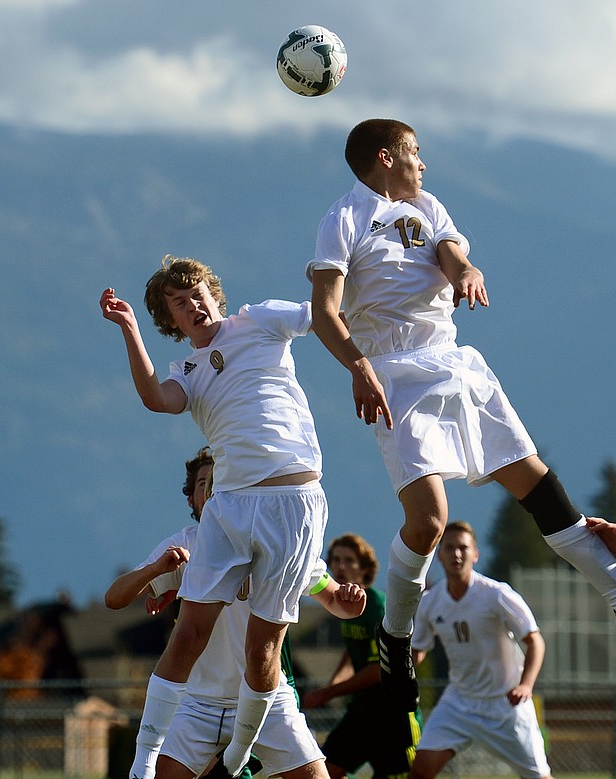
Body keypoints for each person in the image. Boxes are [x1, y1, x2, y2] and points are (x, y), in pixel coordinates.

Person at [306, 119, 616, 709]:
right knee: (428, 523)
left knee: (538, 484)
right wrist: (360, 368)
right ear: (387, 158)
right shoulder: (342, 219)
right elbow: (324, 313)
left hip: (458, 365)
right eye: (416, 153)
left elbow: (449, 251)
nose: (424, 164)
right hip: (396, 376)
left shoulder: (428, 204)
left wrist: (465, 268)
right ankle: (395, 638)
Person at [100, 256, 328, 779]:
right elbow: (157, 398)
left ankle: (238, 755)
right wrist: (130, 329)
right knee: (188, 634)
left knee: (262, 650)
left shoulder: (261, 320)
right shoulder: (189, 371)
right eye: (179, 304)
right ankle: (142, 763)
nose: (193, 305)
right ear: (170, 322)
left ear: (214, 295)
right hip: (230, 506)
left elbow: (325, 312)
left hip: (294, 500)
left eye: (198, 293)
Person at [104, 449, 365, 779]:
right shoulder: (186, 545)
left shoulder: (281, 541)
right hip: (199, 705)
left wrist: (350, 603)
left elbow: (336, 602)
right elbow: (114, 598)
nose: (215, 488)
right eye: (205, 483)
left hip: (268, 702)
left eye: (224, 478)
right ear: (194, 499)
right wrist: (157, 570)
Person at [409, 521, 552, 779]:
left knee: (539, 777)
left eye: (463, 548)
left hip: (505, 703)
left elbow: (535, 641)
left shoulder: (497, 595)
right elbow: (417, 650)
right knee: (420, 771)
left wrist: (526, 685)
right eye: (449, 548)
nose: (456, 554)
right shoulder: (430, 601)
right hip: (459, 702)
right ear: (439, 554)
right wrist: (396, 680)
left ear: (475, 554)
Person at [302, 535, 420, 779]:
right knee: (325, 772)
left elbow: (379, 667)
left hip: (392, 714)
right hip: (363, 710)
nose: (340, 567)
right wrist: (333, 684)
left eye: (349, 561)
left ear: (365, 569)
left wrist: (330, 692)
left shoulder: (375, 605)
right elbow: (353, 650)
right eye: (335, 560)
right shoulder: (345, 608)